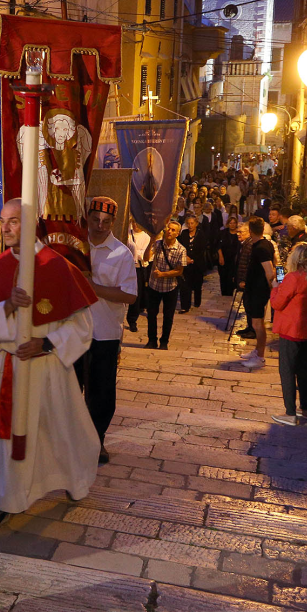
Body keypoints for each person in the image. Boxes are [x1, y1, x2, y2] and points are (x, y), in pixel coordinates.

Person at [0, 198, 99, 534]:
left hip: (48, 367)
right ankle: (3, 499)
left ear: (31, 225)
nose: (6, 227)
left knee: (58, 429)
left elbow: (83, 325)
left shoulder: (56, 266)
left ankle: (72, 478)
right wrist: (8, 307)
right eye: (4, 221)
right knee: (3, 439)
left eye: (14, 221)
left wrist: (46, 343)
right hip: (6, 367)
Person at [76, 197, 136, 464]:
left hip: (104, 333)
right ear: (87, 218)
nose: (100, 225)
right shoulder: (76, 247)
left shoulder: (121, 253)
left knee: (101, 392)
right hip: (74, 331)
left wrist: (93, 287)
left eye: (106, 221)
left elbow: (130, 295)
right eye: (95, 219)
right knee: (68, 387)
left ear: (114, 222)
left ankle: (97, 439)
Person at [269, 243, 307, 425]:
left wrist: (274, 287)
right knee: (304, 369)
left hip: (292, 329)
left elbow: (277, 304)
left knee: (287, 370)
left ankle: (290, 412)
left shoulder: (292, 277)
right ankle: (306, 408)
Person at [238, 217, 276, 368]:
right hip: (255, 289)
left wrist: (275, 287)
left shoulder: (261, 248)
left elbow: (269, 270)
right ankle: (257, 350)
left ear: (251, 231)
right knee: (257, 323)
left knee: (257, 324)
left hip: (258, 291)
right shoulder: (266, 244)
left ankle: (260, 357)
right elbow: (277, 263)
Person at [145, 220, 186, 350]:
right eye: (168, 228)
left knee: (168, 316)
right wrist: (151, 241)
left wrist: (162, 274)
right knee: (151, 314)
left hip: (170, 287)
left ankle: (164, 342)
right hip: (154, 285)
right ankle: (152, 340)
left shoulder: (181, 249)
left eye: (173, 230)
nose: (169, 231)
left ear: (178, 234)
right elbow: (146, 258)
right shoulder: (158, 244)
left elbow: (179, 271)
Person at [126, 221, 151, 332]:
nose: (136, 225)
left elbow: (146, 254)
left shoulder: (146, 237)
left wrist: (138, 253)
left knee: (137, 294)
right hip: (126, 266)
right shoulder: (127, 233)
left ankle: (132, 320)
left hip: (139, 268)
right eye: (134, 222)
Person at [177, 215, 206, 312]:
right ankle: (185, 306)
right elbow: (180, 246)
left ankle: (197, 301)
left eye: (192, 223)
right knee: (185, 285)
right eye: (188, 223)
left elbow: (202, 250)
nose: (190, 225)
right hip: (186, 263)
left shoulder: (201, 234)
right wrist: (186, 258)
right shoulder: (184, 234)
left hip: (198, 263)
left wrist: (192, 259)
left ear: (196, 224)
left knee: (197, 284)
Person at [217, 215, 241, 296]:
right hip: (224, 256)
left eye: (234, 223)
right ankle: (224, 292)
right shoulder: (223, 233)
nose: (232, 225)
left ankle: (230, 292)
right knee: (223, 275)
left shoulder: (239, 234)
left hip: (234, 258)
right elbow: (218, 245)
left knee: (232, 275)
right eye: (230, 223)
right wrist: (220, 256)